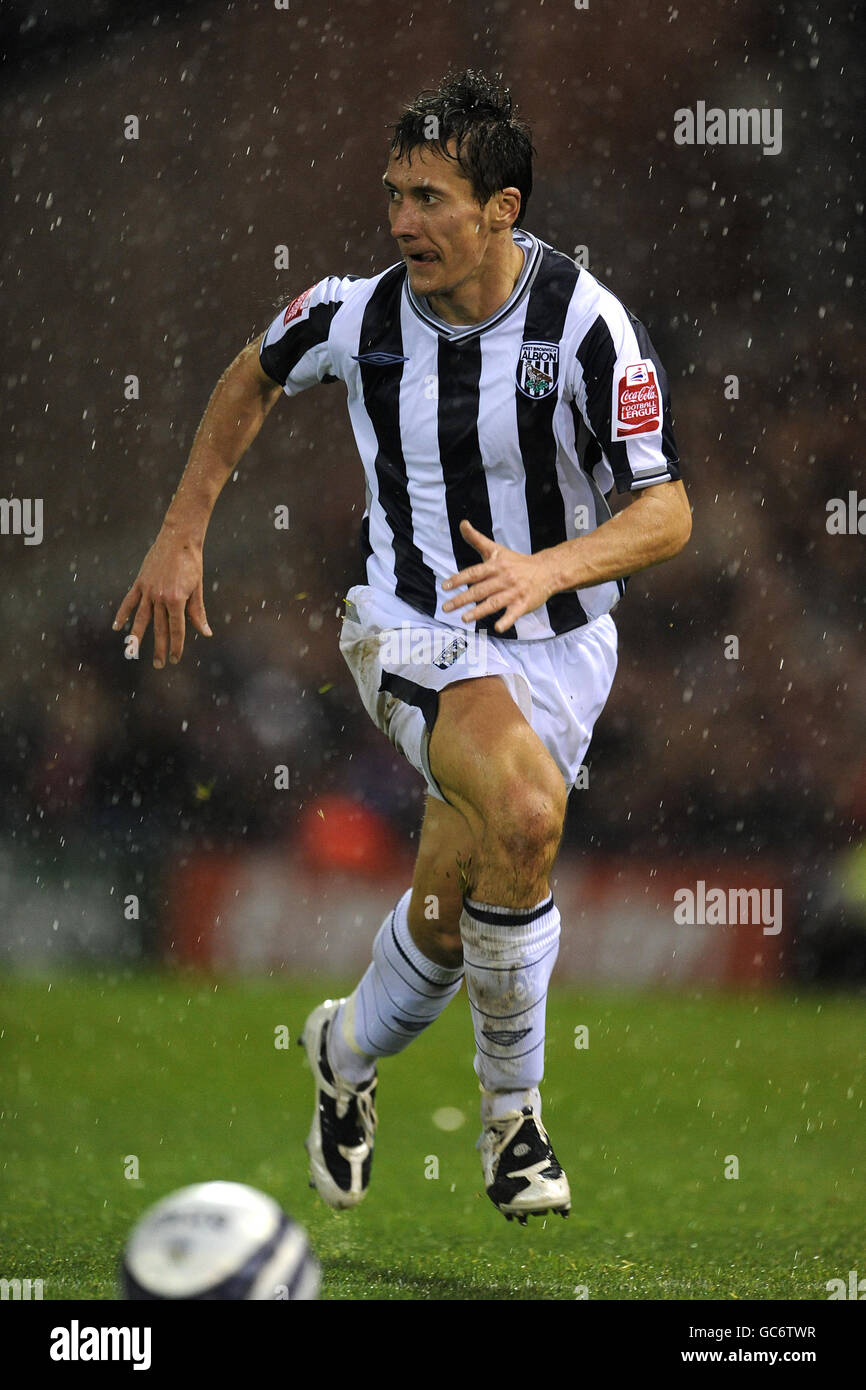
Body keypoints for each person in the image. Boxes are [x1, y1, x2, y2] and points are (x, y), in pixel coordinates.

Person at [114, 70, 691, 1225]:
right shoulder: (356, 314)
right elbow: (253, 372)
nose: (400, 222)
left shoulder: (586, 324)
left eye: (429, 197)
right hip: (410, 627)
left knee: (453, 908)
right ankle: (513, 1122)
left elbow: (665, 510)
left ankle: (341, 1050)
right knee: (527, 816)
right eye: (392, 194)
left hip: (561, 646)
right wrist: (183, 531)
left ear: (501, 209)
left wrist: (544, 569)